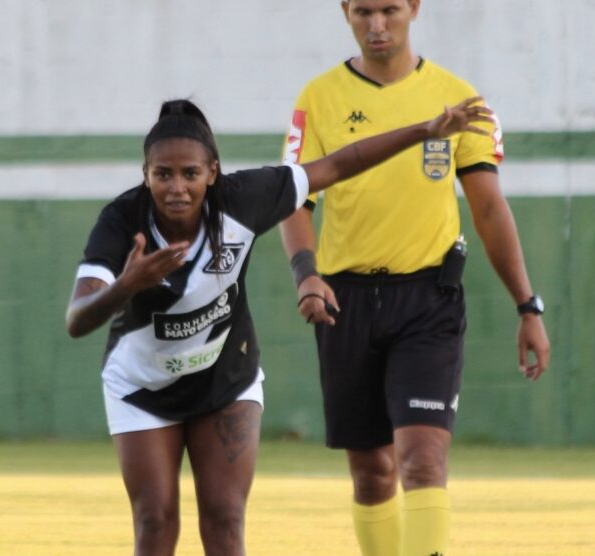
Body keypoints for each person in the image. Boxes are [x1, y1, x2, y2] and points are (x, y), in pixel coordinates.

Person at [64, 97, 493, 556]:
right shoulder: (121, 222)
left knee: (225, 518)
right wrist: (126, 285)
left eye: (190, 173)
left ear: (212, 172)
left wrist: (424, 131)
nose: (177, 187)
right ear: (145, 174)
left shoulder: (244, 199)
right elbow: (78, 318)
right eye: (162, 174)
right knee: (155, 520)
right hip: (141, 385)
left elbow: (340, 163)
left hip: (226, 380)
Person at [278, 1, 552, 554]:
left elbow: (489, 209)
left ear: (414, 8)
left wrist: (527, 306)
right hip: (345, 300)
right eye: (364, 11)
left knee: (423, 462)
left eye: (390, 9)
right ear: (346, 12)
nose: (377, 25)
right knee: (372, 474)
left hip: (428, 300)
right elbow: (296, 200)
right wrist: (306, 274)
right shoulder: (318, 97)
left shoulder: (459, 99)